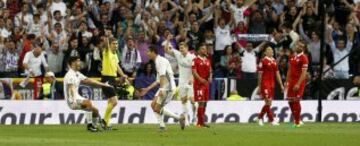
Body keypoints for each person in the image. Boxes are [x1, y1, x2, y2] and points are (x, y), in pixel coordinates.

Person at [140, 45, 185, 132]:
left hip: (168, 88)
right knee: (153, 105)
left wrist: (161, 90)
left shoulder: (161, 61)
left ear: (153, 52)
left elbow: (163, 76)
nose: (147, 54)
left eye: (148, 52)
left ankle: (163, 126)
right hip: (164, 87)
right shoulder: (157, 62)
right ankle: (178, 118)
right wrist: (147, 89)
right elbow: (158, 80)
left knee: (157, 108)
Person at [64, 56, 112, 132]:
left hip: (76, 98)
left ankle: (94, 127)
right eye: (78, 61)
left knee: (96, 111)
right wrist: (73, 100)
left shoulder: (77, 74)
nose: (80, 63)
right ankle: (90, 126)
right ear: (73, 63)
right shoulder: (70, 75)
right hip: (72, 100)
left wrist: (103, 84)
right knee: (88, 102)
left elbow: (89, 81)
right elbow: (71, 88)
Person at [165, 40, 198, 126]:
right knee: (184, 101)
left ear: (187, 48)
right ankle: (186, 120)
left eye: (182, 48)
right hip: (182, 82)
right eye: (180, 48)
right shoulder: (178, 54)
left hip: (191, 82)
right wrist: (168, 40)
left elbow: (197, 69)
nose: (181, 50)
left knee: (192, 101)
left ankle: (195, 116)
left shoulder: (192, 57)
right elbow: (166, 50)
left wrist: (193, 77)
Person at [100, 37, 128, 130]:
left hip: (112, 79)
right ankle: (104, 120)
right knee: (114, 102)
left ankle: (107, 124)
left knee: (110, 102)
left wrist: (123, 75)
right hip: (106, 79)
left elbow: (117, 66)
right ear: (110, 44)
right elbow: (106, 46)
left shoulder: (115, 54)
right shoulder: (106, 53)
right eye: (114, 44)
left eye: (117, 44)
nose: (116, 45)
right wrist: (107, 37)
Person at [256, 47, 284, 126]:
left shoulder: (274, 61)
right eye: (269, 50)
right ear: (265, 52)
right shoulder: (263, 61)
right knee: (268, 101)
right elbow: (260, 75)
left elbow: (277, 73)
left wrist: (281, 85)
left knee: (269, 103)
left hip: (272, 84)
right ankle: (272, 120)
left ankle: (260, 117)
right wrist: (259, 86)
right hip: (265, 83)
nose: (271, 51)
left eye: (272, 50)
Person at [285, 41, 308, 128]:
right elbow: (289, 70)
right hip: (291, 82)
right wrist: (287, 82)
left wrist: (298, 84)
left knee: (296, 100)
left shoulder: (304, 58)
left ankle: (297, 122)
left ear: (303, 48)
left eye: (301, 46)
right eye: (298, 45)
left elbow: (304, 73)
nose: (299, 47)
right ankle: (297, 119)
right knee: (290, 101)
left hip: (300, 82)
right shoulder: (292, 57)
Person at [192, 43, 212, 128]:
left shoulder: (207, 60)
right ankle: (200, 123)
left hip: (206, 84)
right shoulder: (195, 60)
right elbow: (194, 72)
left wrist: (210, 77)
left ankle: (201, 122)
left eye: (205, 49)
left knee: (205, 103)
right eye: (203, 49)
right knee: (201, 102)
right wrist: (201, 80)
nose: (205, 50)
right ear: (199, 50)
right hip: (199, 85)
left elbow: (210, 70)